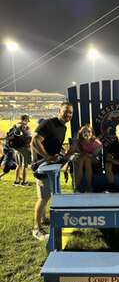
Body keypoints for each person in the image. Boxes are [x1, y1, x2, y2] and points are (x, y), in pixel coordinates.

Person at [31, 102, 73, 240]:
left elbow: (52, 144)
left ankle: (43, 219)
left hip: (51, 166)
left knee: (47, 195)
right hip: (42, 166)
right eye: (65, 111)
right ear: (58, 110)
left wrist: (60, 154)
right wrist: (47, 157)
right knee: (43, 197)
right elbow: (34, 141)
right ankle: (36, 229)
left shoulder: (63, 127)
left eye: (70, 113)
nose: (68, 115)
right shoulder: (49, 123)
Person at [67, 124, 103, 192]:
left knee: (86, 158)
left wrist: (88, 154)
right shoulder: (78, 142)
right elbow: (69, 153)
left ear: (92, 133)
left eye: (89, 132)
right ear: (81, 134)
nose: (87, 133)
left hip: (94, 159)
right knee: (84, 160)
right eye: (84, 132)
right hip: (82, 160)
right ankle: (86, 187)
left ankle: (78, 187)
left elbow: (97, 154)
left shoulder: (95, 142)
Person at [7, 114, 32, 186]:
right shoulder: (25, 128)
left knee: (19, 165)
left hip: (17, 149)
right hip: (24, 149)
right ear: (26, 120)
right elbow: (29, 138)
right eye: (27, 120)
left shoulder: (16, 127)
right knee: (25, 166)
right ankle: (24, 182)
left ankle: (16, 181)